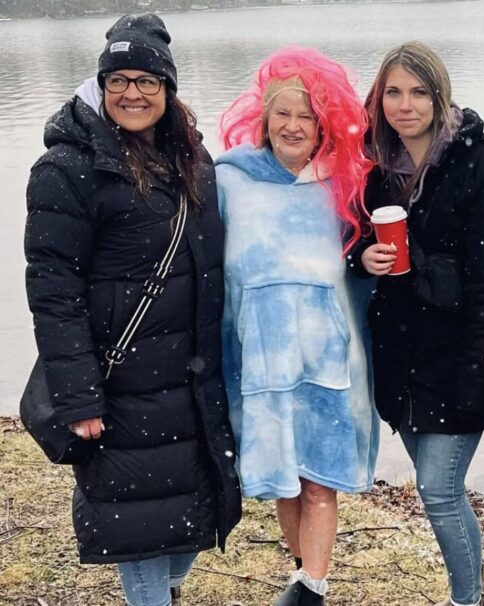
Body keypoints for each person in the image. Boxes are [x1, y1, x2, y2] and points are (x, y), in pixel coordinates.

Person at [23, 13, 241, 606]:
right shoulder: (67, 169)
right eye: (118, 79)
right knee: (139, 530)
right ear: (100, 86)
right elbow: (52, 291)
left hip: (189, 380)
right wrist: (78, 397)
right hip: (119, 384)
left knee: (193, 513)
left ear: (168, 90)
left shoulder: (192, 160)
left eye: (147, 80)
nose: (132, 93)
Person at [217, 47, 378, 606]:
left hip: (327, 365)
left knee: (319, 483)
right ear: (263, 120)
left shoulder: (344, 186)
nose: (293, 126)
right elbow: (207, 269)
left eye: (306, 115)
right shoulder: (229, 182)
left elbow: (358, 269)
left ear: (323, 124)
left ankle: (313, 586)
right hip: (259, 360)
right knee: (285, 482)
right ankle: (301, 569)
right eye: (282, 113)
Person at [357, 41, 484, 606]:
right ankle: (475, 593)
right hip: (403, 360)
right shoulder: (377, 173)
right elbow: (354, 246)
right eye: (393, 92)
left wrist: (479, 369)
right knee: (442, 491)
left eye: (418, 92)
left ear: (439, 95)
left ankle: (466, 599)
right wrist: (362, 259)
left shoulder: (476, 164)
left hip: (459, 359)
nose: (405, 105)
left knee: (438, 488)